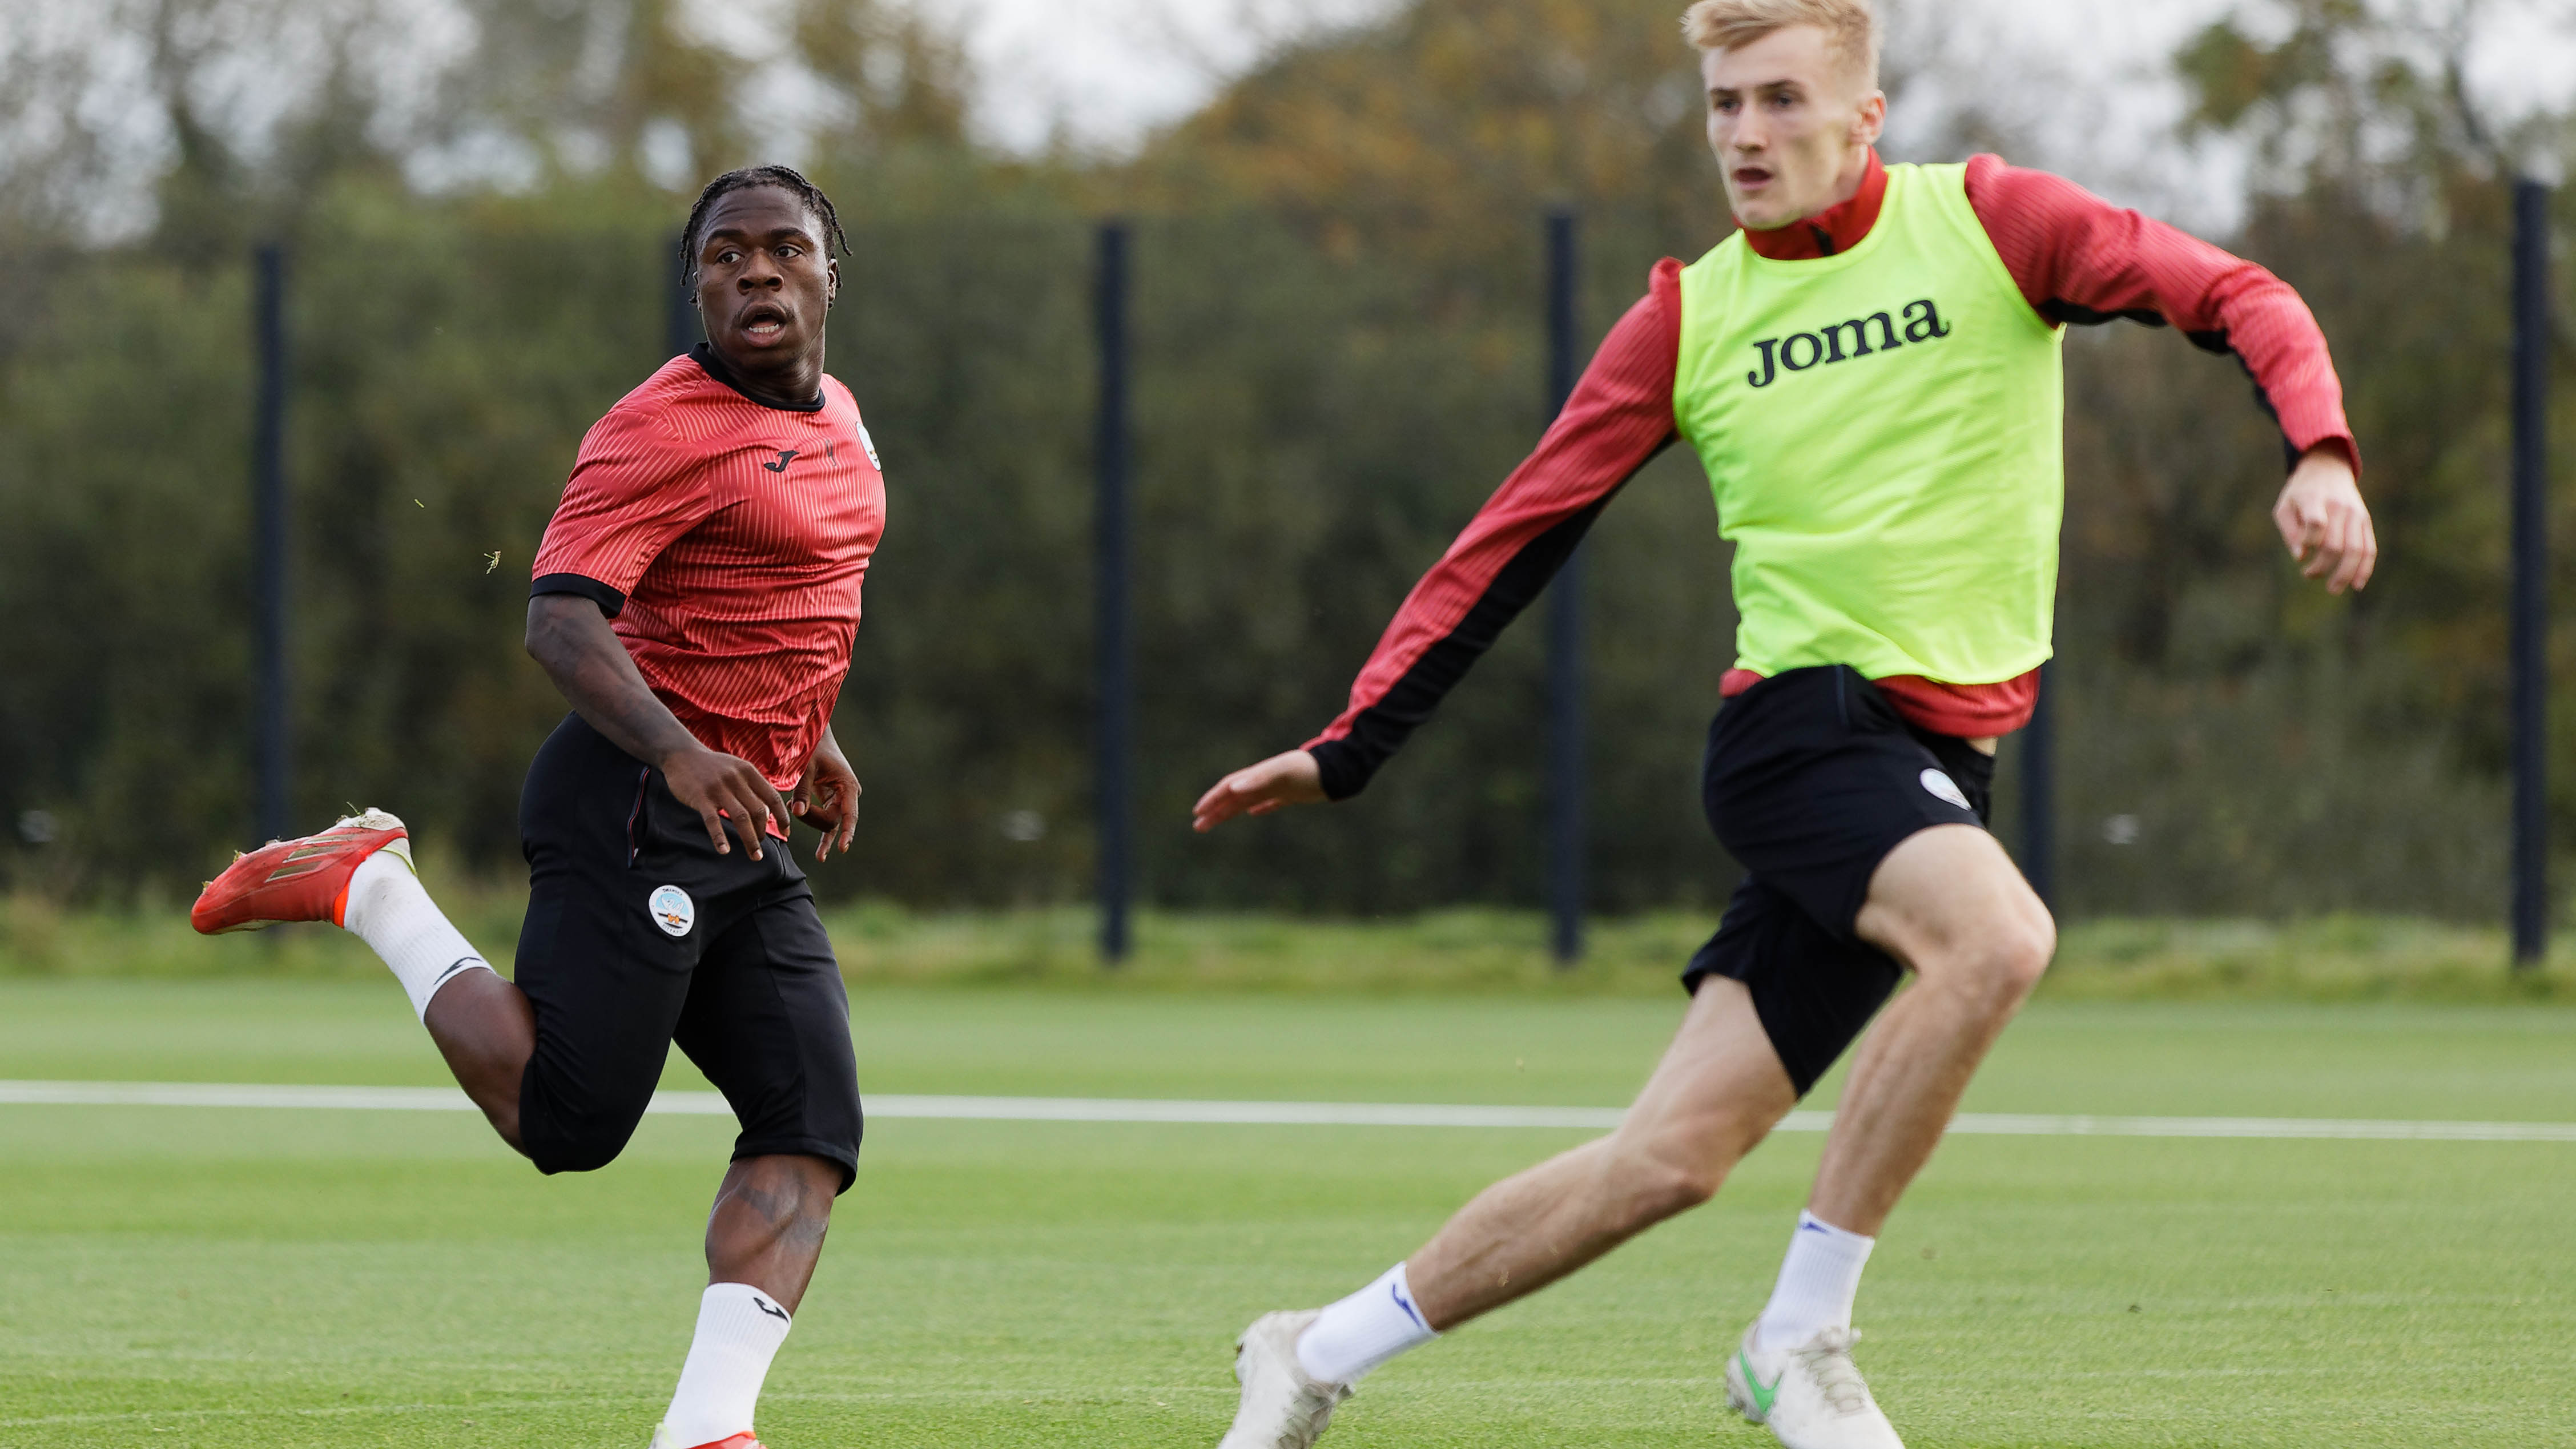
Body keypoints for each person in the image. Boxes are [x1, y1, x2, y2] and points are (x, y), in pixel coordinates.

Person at [1191, 2, 2376, 1446]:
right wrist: (1352, 743)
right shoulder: (1690, 315)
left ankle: (1310, 1350)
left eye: (1780, 99)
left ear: (1866, 114)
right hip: (1803, 734)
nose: (1746, 134)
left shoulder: (1996, 224)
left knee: (1666, 1161)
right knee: (1998, 940)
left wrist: (2316, 447)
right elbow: (1517, 533)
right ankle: (1799, 1339)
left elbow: (2240, 292)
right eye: (1722, 106)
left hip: (1931, 768)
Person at [190, 164, 888, 1449]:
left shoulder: (840, 415)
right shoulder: (661, 425)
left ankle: (708, 1430)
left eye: (784, 248)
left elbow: (765, 595)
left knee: (812, 1126)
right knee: (565, 1124)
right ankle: (372, 887)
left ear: (831, 270)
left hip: (749, 816)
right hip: (635, 801)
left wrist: (815, 735)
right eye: (725, 254)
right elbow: (560, 623)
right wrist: (682, 752)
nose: (756, 271)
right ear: (699, 283)